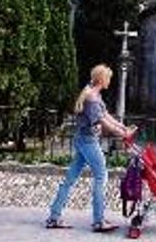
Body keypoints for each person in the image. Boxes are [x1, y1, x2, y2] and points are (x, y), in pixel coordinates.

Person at [46, 64, 136, 232]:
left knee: (70, 179)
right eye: (108, 77)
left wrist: (123, 128)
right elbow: (102, 122)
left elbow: (106, 116)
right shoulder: (91, 99)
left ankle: (54, 217)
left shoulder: (92, 93)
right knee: (101, 176)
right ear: (102, 79)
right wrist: (122, 134)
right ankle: (98, 221)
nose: (110, 81)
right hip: (88, 142)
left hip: (83, 140)